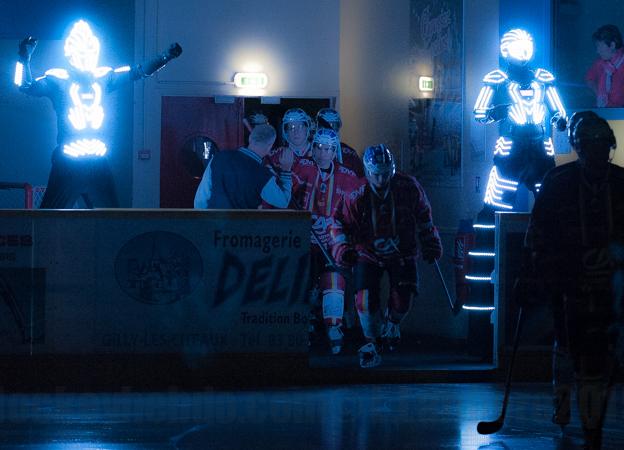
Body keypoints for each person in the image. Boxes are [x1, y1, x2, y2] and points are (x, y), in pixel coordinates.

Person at [518, 112, 624, 449]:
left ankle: (592, 427)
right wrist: (533, 272)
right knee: (567, 345)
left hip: (612, 284)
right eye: (589, 146)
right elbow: (537, 232)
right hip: (568, 281)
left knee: (602, 354)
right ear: (579, 148)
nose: (596, 154)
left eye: (601, 146)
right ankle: (563, 403)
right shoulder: (559, 181)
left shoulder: (621, 183)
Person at [15, 20, 182, 208]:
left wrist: (165, 57)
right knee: (50, 218)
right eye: (80, 51)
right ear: (70, 53)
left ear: (96, 51)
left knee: (110, 218)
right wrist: (24, 59)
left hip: (97, 161)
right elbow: (26, 86)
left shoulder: (103, 76)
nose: (85, 55)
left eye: (89, 50)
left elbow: (139, 71)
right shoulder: (58, 78)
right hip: (69, 160)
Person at [465, 28, 567, 312]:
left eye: (527, 46)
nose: (523, 51)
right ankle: (488, 282)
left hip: (541, 148)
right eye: (518, 46)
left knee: (551, 203)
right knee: (495, 208)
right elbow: (479, 113)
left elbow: (559, 111)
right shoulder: (496, 79)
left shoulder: (544, 78)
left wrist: (560, 120)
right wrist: (494, 112)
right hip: (510, 150)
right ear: (506, 50)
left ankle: (549, 272)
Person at [335, 144, 442, 368]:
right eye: (376, 174)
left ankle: (392, 322)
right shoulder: (356, 192)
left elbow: (424, 217)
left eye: (386, 173)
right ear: (367, 171)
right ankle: (371, 342)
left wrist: (431, 243)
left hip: (402, 251)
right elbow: (339, 223)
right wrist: (342, 249)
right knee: (364, 300)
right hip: (368, 252)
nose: (381, 179)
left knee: (403, 300)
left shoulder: (408, 186)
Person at [291, 128, 363, 355]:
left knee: (334, 279)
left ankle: (334, 326)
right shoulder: (301, 166)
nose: (323, 153)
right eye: (320, 148)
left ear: (335, 151)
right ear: (313, 148)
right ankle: (303, 325)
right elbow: (285, 197)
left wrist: (339, 225)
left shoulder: (347, 176)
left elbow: (354, 211)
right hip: (302, 239)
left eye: (329, 149)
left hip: (331, 240)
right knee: (301, 283)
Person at [194, 124, 292, 209]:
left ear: (250, 138)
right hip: (244, 225)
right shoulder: (263, 175)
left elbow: (200, 199)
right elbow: (282, 202)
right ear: (270, 145)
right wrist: (286, 171)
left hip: (214, 223)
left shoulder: (219, 157)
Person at [315, 108, 364, 177]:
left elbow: (359, 178)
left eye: (333, 126)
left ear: (338, 127)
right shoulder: (310, 150)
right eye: (323, 126)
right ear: (317, 128)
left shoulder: (350, 154)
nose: (329, 131)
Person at [585, 25, 624, 108]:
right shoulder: (600, 63)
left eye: (599, 46)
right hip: (603, 111)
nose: (597, 51)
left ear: (612, 45)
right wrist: (599, 93)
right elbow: (589, 79)